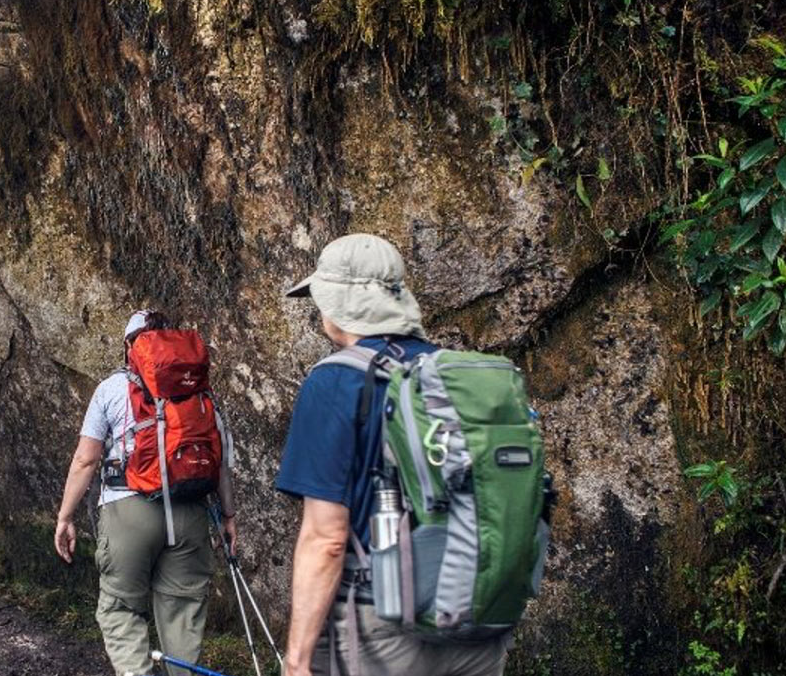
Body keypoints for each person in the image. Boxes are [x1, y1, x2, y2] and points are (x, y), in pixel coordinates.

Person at [276, 233, 511, 675]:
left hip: (384, 629)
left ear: (338, 304)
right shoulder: (459, 375)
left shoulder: (335, 382)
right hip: (477, 620)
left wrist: (296, 660)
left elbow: (325, 539)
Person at [52, 310, 238, 676]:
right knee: (183, 613)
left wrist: (65, 517)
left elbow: (85, 460)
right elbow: (220, 463)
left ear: (128, 346)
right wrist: (229, 516)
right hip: (190, 514)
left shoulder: (111, 389)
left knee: (121, 608)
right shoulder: (201, 393)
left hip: (128, 511)